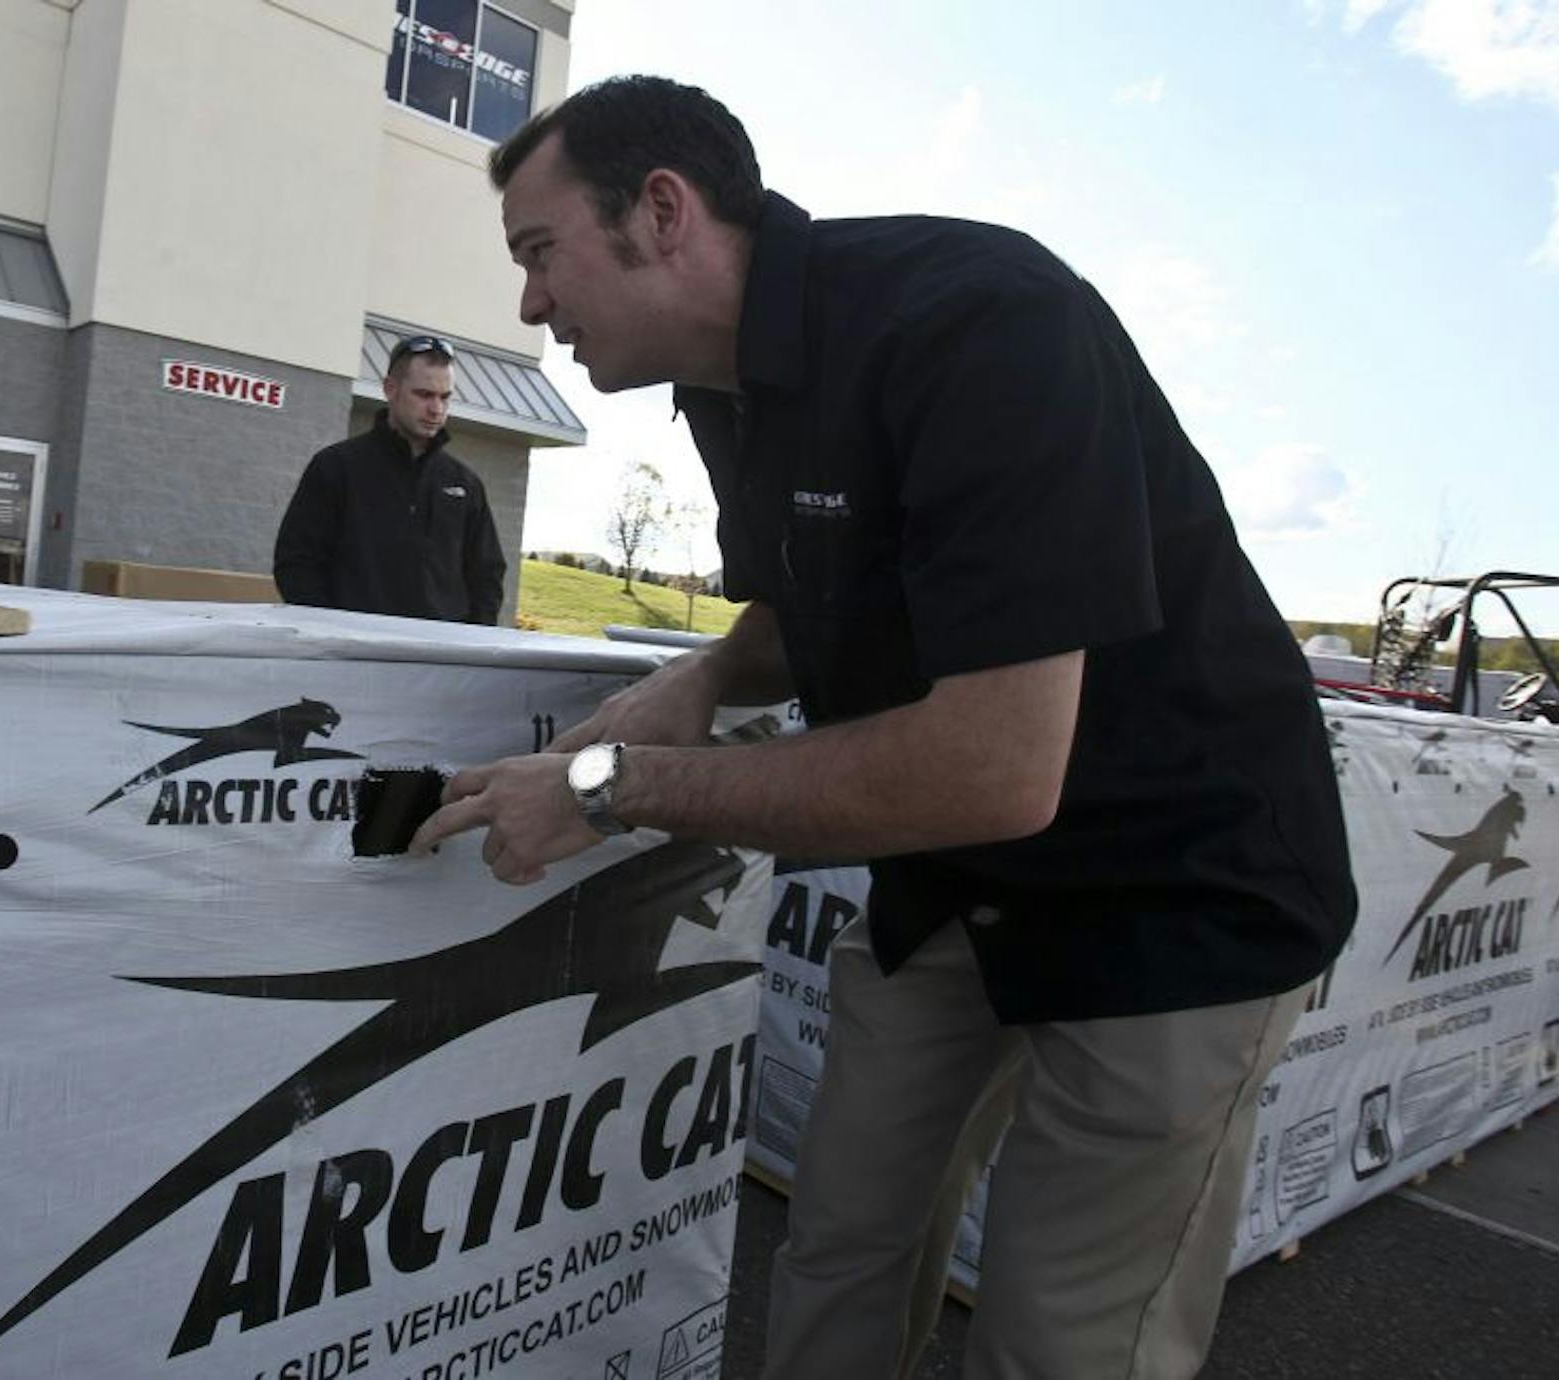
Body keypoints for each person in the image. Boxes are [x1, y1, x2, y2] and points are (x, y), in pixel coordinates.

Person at [411, 76, 1356, 1378]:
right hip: (953, 885)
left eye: (539, 252)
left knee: (1058, 1338)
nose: (528, 304)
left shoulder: (976, 320)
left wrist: (608, 783)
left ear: (664, 212)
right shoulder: (723, 384)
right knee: (840, 1244)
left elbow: (995, 766)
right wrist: (702, 676)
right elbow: (817, 600)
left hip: (1173, 888)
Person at [273, 335, 506, 624]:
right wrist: (333, 632)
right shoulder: (336, 468)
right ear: (390, 389)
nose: (436, 409)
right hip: (355, 654)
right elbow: (296, 563)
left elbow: (487, 575)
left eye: (444, 397)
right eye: (424, 395)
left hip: (440, 658)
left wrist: (472, 643)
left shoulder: (465, 485)